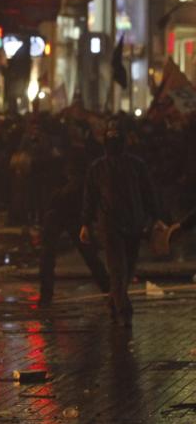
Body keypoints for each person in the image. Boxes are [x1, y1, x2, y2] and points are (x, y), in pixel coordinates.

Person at [80, 122, 166, 326]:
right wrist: (85, 223)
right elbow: (90, 198)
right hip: (114, 224)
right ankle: (122, 306)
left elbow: (147, 193)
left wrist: (156, 217)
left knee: (126, 266)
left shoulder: (134, 166)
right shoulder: (100, 168)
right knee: (119, 267)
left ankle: (115, 300)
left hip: (130, 224)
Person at [39, 153, 109, 304]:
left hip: (63, 214)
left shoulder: (72, 181)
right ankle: (108, 288)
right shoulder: (80, 181)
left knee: (49, 255)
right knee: (88, 254)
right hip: (65, 214)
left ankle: (46, 295)